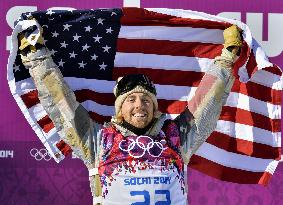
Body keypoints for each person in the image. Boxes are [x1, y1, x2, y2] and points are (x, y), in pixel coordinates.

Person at [19, 24, 242, 205]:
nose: (140, 105)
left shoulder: (177, 137)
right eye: (131, 100)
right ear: (119, 109)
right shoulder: (98, 140)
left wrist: (227, 58)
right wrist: (36, 57)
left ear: (156, 109)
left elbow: (207, 105)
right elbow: (61, 105)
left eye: (146, 100)